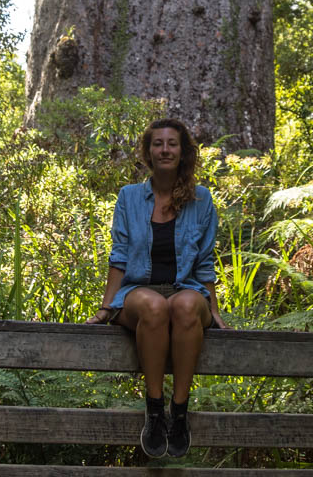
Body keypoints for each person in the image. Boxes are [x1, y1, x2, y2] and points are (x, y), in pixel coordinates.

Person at [86, 117, 226, 459]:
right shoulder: (129, 197)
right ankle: (154, 410)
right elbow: (119, 255)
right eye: (158, 143)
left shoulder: (201, 199)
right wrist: (106, 307)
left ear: (183, 151)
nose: (165, 149)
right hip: (139, 292)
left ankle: (179, 412)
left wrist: (216, 309)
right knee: (154, 306)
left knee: (186, 306)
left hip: (185, 289)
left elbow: (205, 261)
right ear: (148, 152)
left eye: (172, 143)